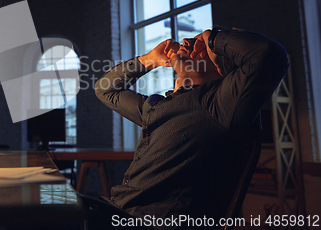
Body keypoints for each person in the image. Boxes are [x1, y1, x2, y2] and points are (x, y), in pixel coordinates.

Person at [93, 28, 289, 229]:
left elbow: (271, 55)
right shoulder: (156, 107)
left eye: (199, 44)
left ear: (223, 65)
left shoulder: (220, 104)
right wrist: (148, 60)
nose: (185, 41)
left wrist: (212, 37)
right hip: (116, 212)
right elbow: (104, 88)